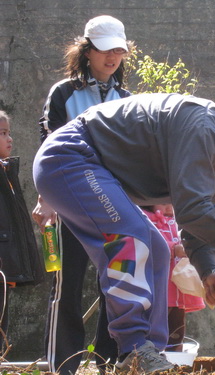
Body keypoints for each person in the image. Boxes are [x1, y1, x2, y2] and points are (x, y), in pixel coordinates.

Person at [32, 92, 215, 373]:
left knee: (156, 246)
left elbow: (198, 220)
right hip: (69, 156)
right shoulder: (204, 127)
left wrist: (208, 270)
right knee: (133, 238)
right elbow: (193, 210)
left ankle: (149, 355)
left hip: (90, 166)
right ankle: (134, 349)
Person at [31, 15, 134, 375]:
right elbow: (49, 146)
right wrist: (46, 198)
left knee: (117, 281)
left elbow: (131, 154)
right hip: (71, 198)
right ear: (88, 51)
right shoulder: (63, 93)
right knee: (68, 284)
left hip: (112, 202)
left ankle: (109, 360)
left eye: (119, 51)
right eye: (106, 50)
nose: (113, 57)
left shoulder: (127, 98)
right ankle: (64, 364)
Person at [0, 111, 45, 340]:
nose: (10, 139)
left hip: (5, 258)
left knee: (2, 314)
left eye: (9, 133)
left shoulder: (7, 170)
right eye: (3, 133)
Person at [140, 204, 205, 352]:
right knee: (153, 327)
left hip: (177, 291)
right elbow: (147, 245)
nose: (170, 206)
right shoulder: (145, 219)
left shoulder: (178, 221)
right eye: (164, 202)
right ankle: (151, 357)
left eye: (173, 201)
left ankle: (175, 359)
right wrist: (173, 249)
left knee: (176, 329)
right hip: (157, 289)